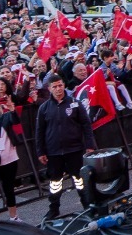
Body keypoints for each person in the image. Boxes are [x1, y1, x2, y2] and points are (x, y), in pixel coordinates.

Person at [34, 76, 96, 220]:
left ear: (64, 85)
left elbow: (86, 125)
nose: (58, 89)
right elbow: (39, 131)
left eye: (60, 85)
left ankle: (87, 204)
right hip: (53, 152)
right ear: (49, 89)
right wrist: (40, 151)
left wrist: (90, 145)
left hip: (74, 150)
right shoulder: (44, 108)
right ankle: (54, 209)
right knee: (55, 182)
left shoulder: (75, 103)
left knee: (79, 180)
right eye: (54, 87)